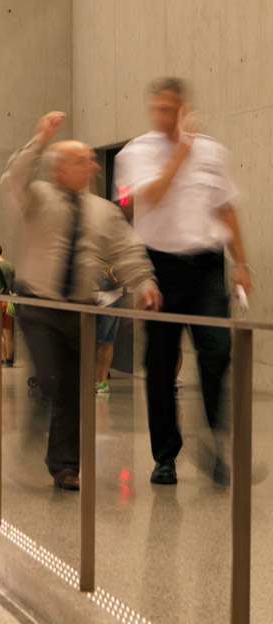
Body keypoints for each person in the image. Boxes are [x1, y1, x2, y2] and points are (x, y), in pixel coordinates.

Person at [2, 111, 160, 491]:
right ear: (59, 169)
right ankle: (34, 440)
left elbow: (127, 250)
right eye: (81, 160)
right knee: (54, 377)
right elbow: (14, 178)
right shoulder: (37, 196)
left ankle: (65, 467)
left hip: (80, 309)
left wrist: (146, 284)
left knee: (74, 389)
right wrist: (39, 140)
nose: (91, 165)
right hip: (39, 305)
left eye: (92, 159)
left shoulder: (102, 211)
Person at [114, 77, 251, 486]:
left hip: (207, 268)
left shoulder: (212, 152)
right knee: (159, 362)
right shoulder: (135, 152)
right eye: (157, 109)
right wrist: (179, 155)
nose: (163, 116)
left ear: (183, 108)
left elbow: (224, 210)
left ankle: (215, 446)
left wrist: (241, 262)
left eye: (170, 109)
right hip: (160, 268)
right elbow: (146, 198)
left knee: (217, 351)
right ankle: (165, 456)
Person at [93, 266, 124, 393]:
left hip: (104, 302)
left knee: (100, 343)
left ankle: (98, 380)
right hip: (117, 299)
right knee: (108, 343)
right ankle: (103, 380)